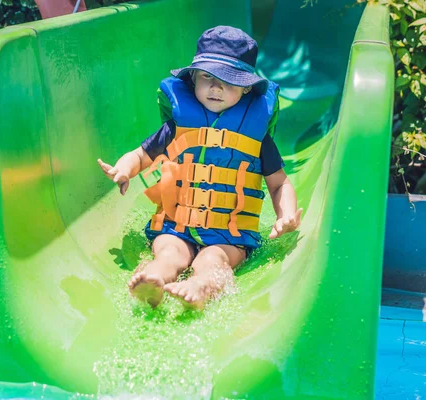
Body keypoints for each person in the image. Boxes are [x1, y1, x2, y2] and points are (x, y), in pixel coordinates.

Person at [98, 26, 302, 309]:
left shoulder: (258, 138)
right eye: (207, 77)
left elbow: (279, 183)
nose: (216, 87)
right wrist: (124, 169)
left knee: (212, 260)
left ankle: (200, 288)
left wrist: (287, 215)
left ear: (246, 88)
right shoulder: (177, 127)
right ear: (193, 77)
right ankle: (153, 280)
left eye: (228, 82)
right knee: (169, 252)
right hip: (176, 225)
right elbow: (140, 155)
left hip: (228, 235)